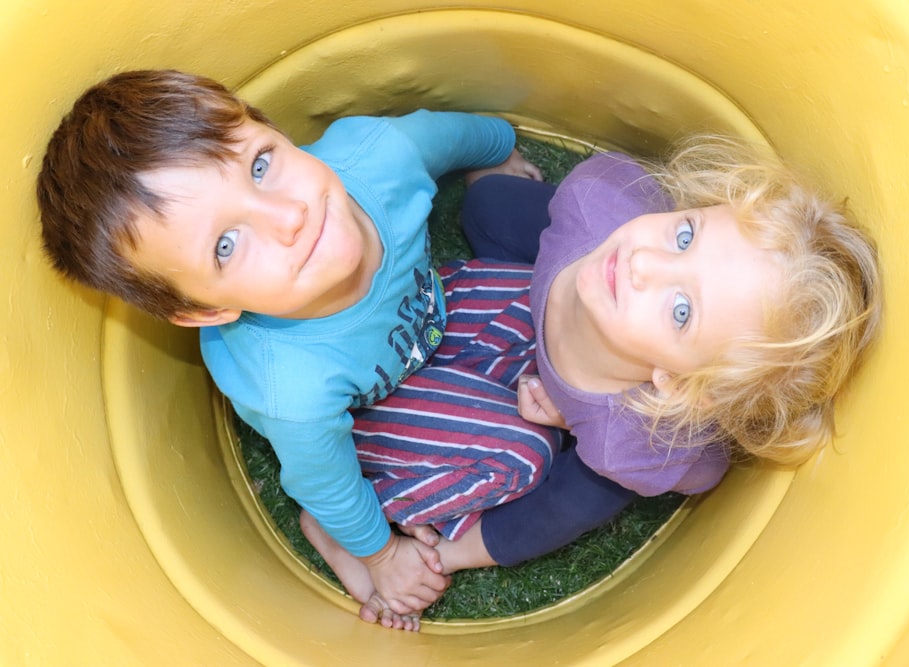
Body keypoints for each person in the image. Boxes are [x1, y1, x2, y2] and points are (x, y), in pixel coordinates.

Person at [34, 69, 563, 631]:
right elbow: (327, 479)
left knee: (557, 303)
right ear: (208, 310)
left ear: (273, 131)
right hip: (370, 411)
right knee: (529, 447)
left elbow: (447, 133)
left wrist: (496, 151)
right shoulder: (292, 389)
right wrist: (379, 554)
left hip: (434, 310)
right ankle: (344, 521)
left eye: (260, 166)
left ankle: (480, 383)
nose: (289, 216)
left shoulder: (380, 159)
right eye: (226, 245)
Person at [422, 135, 883, 575]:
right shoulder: (597, 202)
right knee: (486, 207)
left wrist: (570, 421)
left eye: (681, 310)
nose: (642, 262)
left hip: (613, 420)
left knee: (580, 497)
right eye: (685, 237)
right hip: (555, 255)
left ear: (678, 384)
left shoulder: (629, 444)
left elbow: (705, 471)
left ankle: (459, 552)